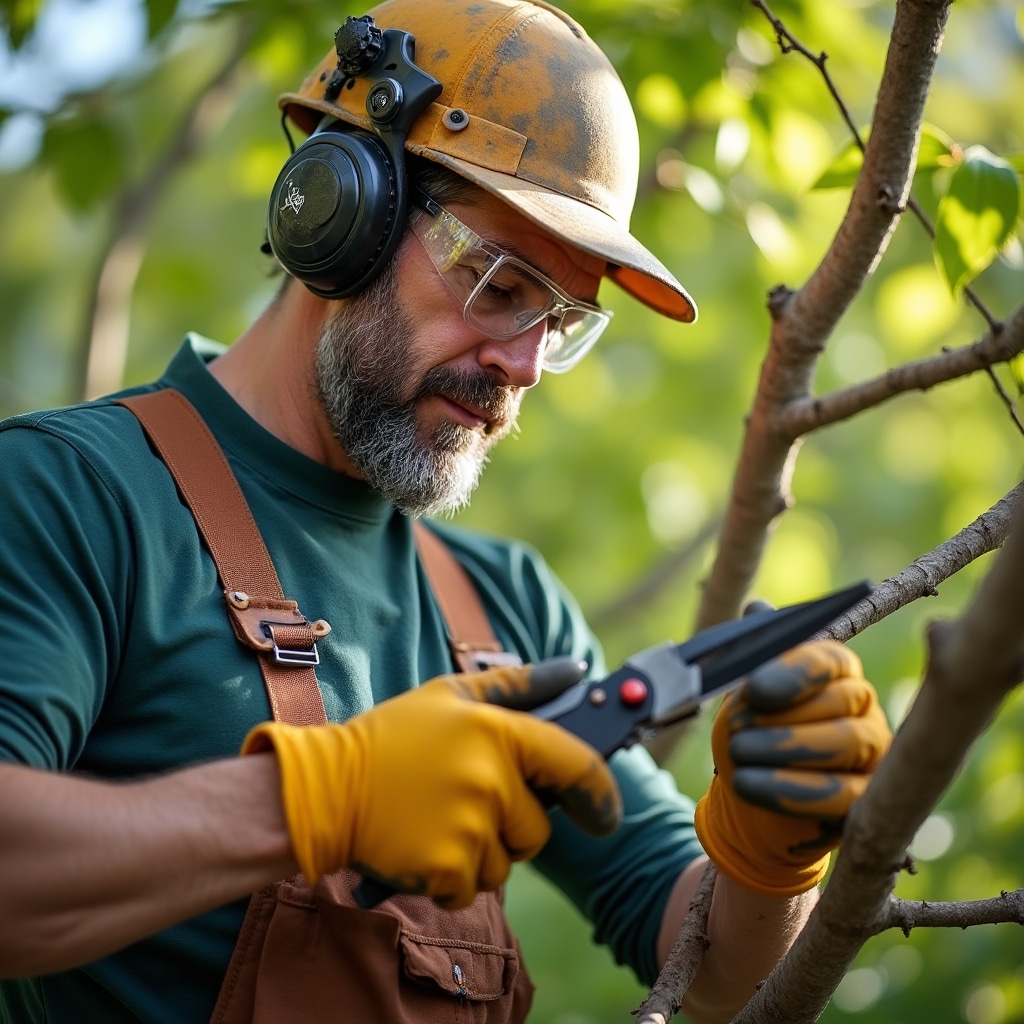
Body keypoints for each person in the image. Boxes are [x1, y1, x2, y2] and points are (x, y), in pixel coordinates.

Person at [0, 1, 892, 1021]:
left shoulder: (504, 613)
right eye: (500, 283)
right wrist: (316, 802)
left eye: (560, 324)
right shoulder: (69, 495)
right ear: (341, 214)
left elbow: (722, 971)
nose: (523, 367)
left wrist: (774, 851)